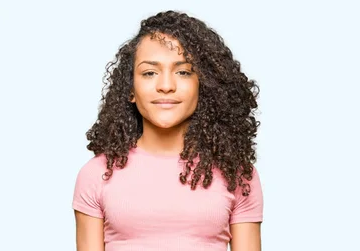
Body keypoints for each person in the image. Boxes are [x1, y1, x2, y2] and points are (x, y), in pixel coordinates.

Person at [72, 10, 263, 251]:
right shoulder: (96, 174)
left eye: (183, 72)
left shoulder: (237, 175)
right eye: (150, 73)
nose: (165, 86)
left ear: (203, 86)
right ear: (130, 89)